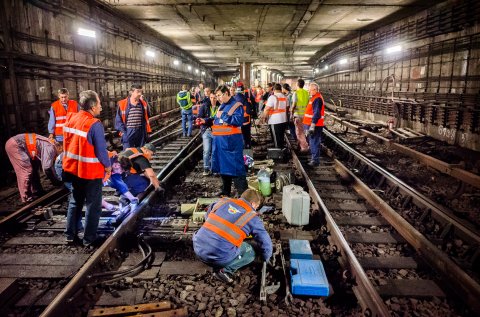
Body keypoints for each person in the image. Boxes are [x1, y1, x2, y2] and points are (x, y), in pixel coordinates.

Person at [193, 189, 272, 284]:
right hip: (218, 258)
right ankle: (225, 270)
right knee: (250, 252)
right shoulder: (252, 217)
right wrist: (266, 258)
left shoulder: (222, 201)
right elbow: (265, 241)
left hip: (198, 248)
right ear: (253, 203)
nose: (255, 209)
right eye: (257, 206)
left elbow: (207, 217)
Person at [63, 90, 112, 245]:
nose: (101, 108)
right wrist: (108, 167)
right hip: (90, 172)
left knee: (75, 201)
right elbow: (101, 151)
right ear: (92, 106)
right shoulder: (94, 124)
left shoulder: (70, 118)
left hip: (72, 169)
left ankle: (69, 235)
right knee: (93, 205)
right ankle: (88, 240)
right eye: (99, 104)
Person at [211, 85, 248, 197]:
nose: (217, 98)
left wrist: (223, 115)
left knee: (236, 168)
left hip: (231, 143)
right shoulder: (222, 106)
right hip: (220, 144)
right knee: (223, 168)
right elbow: (217, 121)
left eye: (219, 95)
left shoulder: (237, 105)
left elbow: (238, 121)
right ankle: (225, 190)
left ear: (226, 93)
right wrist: (205, 121)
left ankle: (243, 194)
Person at [5, 133, 62, 202]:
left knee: (34, 166)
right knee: (26, 171)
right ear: (59, 147)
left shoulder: (49, 143)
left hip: (18, 144)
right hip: (15, 145)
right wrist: (56, 181)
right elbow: (47, 168)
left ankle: (37, 190)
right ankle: (26, 197)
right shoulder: (50, 148)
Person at [115, 83, 152, 149]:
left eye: (141, 91)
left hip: (140, 131)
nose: (140, 94)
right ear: (131, 92)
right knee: (128, 153)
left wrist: (145, 101)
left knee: (140, 152)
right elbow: (118, 121)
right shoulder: (122, 103)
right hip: (128, 131)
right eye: (138, 91)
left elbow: (148, 115)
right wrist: (124, 133)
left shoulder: (143, 103)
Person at [303, 82, 325, 167]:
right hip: (311, 124)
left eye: (310, 90)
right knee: (312, 141)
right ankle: (314, 158)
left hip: (314, 125)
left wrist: (312, 125)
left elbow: (317, 113)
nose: (309, 92)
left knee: (314, 142)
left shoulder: (317, 99)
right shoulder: (314, 97)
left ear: (315, 90)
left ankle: (315, 160)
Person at [197, 89, 218, 176]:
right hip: (207, 131)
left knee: (215, 151)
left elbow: (218, 119)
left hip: (217, 132)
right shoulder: (204, 106)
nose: (213, 99)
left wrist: (206, 120)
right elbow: (199, 118)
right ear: (209, 97)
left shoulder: (221, 106)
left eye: (214, 97)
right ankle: (206, 168)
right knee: (206, 151)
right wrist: (209, 120)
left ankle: (214, 169)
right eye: (211, 98)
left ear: (217, 97)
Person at [263, 83, 288, 149]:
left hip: (275, 121)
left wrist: (264, 118)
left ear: (273, 89)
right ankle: (282, 150)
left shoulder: (272, 97)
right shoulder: (285, 97)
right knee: (281, 137)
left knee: (276, 139)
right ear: (280, 89)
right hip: (283, 120)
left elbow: (266, 109)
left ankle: (278, 153)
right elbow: (287, 108)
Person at [291, 79, 310, 152]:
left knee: (299, 132)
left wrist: (291, 114)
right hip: (305, 115)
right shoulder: (306, 93)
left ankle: (304, 147)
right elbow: (308, 104)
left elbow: (294, 104)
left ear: (297, 84)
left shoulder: (296, 93)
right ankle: (300, 145)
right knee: (304, 131)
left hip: (298, 115)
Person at [233, 83, 253, 149]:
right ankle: (247, 154)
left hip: (236, 122)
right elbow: (248, 111)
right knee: (247, 137)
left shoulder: (233, 99)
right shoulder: (246, 99)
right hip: (246, 121)